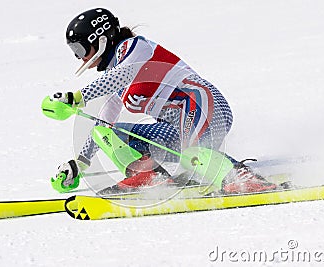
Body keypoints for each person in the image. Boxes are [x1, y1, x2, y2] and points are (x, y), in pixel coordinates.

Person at [46, 8, 277, 194]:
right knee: (105, 132)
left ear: (102, 40)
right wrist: (79, 164)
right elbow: (104, 122)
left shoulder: (135, 48)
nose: (80, 57)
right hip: (174, 126)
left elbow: (121, 75)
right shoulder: (115, 77)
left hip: (202, 104)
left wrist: (77, 98)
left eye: (81, 48)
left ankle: (240, 178)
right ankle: (150, 175)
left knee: (191, 152)